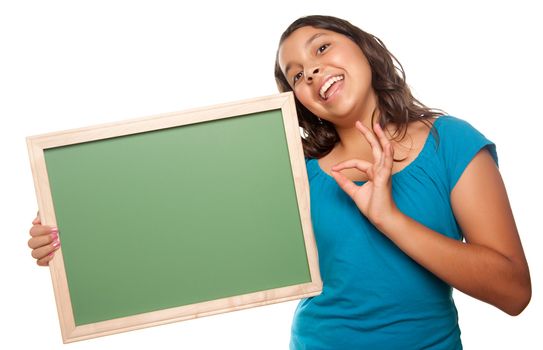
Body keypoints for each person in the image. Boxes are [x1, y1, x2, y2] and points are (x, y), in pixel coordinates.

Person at [28, 15, 531, 349]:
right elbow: (179, 230)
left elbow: (513, 293)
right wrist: (72, 239)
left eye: (322, 48)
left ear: (364, 48)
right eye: (295, 75)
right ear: (299, 99)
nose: (312, 71)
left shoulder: (451, 143)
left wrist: (389, 218)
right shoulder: (296, 172)